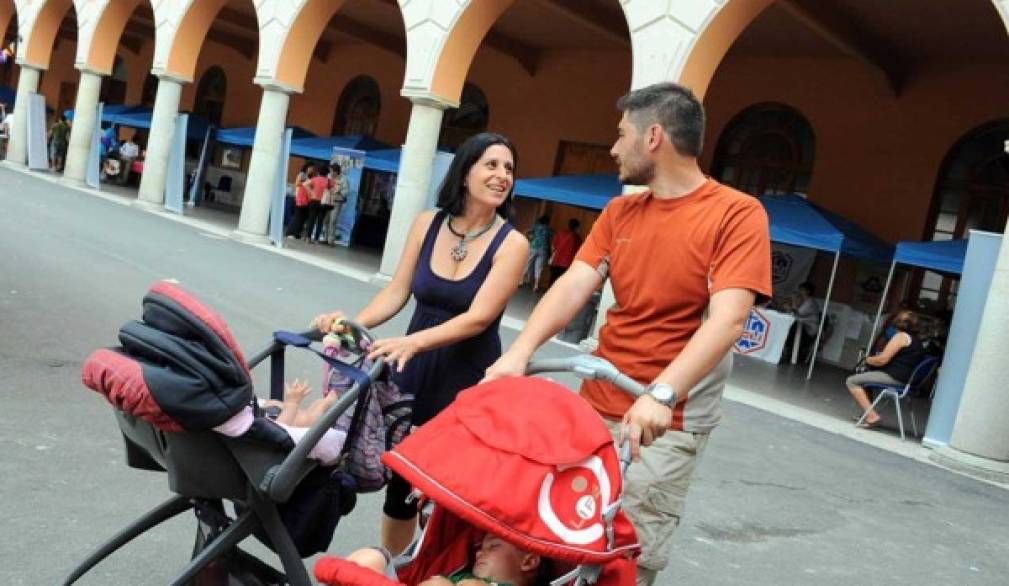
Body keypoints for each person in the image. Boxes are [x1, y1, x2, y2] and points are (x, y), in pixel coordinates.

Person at [483, 83, 771, 586]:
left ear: (653, 136)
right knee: (561, 535)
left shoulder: (736, 213)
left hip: (668, 418)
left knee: (626, 557)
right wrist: (520, 352)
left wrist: (662, 392)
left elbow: (728, 319)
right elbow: (575, 283)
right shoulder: (621, 212)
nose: (614, 148)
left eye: (621, 136)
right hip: (594, 404)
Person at [313, 132, 529, 555]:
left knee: (449, 489)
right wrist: (349, 323)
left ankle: (438, 568)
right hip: (412, 370)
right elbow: (397, 292)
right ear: (464, 171)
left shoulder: (513, 244)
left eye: (509, 169)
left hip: (467, 379)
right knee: (402, 485)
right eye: (491, 165)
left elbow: (478, 317)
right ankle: (394, 568)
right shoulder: (427, 223)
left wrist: (413, 342)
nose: (502, 176)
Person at [346, 533, 544, 586]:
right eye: (481, 547)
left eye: (494, 546)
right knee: (370, 558)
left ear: (527, 562)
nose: (478, 553)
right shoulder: (456, 577)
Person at [846, 309, 925, 428]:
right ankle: (867, 414)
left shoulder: (901, 336)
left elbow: (882, 359)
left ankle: (872, 416)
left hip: (895, 377)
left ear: (897, 321)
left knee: (852, 381)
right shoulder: (917, 341)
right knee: (865, 378)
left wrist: (867, 359)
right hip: (906, 379)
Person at [782, 281, 819, 363]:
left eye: (801, 289)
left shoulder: (810, 302)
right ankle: (787, 350)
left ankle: (789, 352)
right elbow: (794, 311)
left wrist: (793, 301)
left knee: (793, 326)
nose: (799, 291)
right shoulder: (803, 300)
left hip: (809, 331)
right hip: (802, 327)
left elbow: (799, 313)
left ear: (808, 291)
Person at [521, 215, 552, 293]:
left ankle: (521, 281)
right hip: (543, 249)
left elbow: (527, 231)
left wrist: (528, 238)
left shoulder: (536, 227)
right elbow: (550, 239)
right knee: (539, 267)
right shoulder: (549, 230)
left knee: (527, 263)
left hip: (533, 247)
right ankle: (536, 285)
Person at [285, 162, 315, 240]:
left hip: (307, 200)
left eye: (312, 169)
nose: (311, 170)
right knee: (297, 217)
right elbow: (298, 183)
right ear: (306, 167)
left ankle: (297, 233)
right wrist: (306, 183)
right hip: (299, 198)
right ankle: (290, 232)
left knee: (302, 218)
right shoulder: (302, 174)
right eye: (310, 168)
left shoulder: (310, 177)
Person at [305, 162, 333, 244]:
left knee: (311, 220)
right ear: (327, 173)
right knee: (320, 221)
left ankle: (308, 238)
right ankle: (316, 239)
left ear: (319, 172)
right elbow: (334, 190)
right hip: (323, 203)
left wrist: (311, 192)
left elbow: (305, 184)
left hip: (314, 201)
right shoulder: (329, 181)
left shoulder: (315, 179)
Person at [548, 218, 581, 285]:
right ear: (577, 227)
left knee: (552, 279)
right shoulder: (577, 238)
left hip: (556, 260)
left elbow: (553, 246)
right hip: (567, 263)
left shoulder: (560, 233)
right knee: (561, 282)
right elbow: (579, 251)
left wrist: (553, 255)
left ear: (568, 224)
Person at [324, 162, 351, 245]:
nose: (330, 172)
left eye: (331, 171)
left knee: (333, 220)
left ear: (336, 171)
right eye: (330, 171)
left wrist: (339, 190)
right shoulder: (328, 176)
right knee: (326, 220)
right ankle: (325, 238)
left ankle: (331, 240)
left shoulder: (344, 179)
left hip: (337, 202)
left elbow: (347, 192)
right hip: (327, 201)